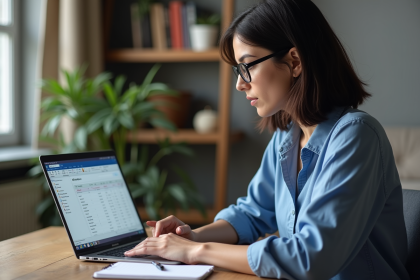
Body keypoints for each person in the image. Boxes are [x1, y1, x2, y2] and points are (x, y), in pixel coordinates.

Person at [125, 0, 409, 279]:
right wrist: (190, 235)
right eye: (238, 70)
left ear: (294, 61)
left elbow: (309, 259)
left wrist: (195, 250)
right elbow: (253, 213)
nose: (239, 83)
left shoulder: (356, 137)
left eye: (247, 66)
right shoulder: (287, 137)